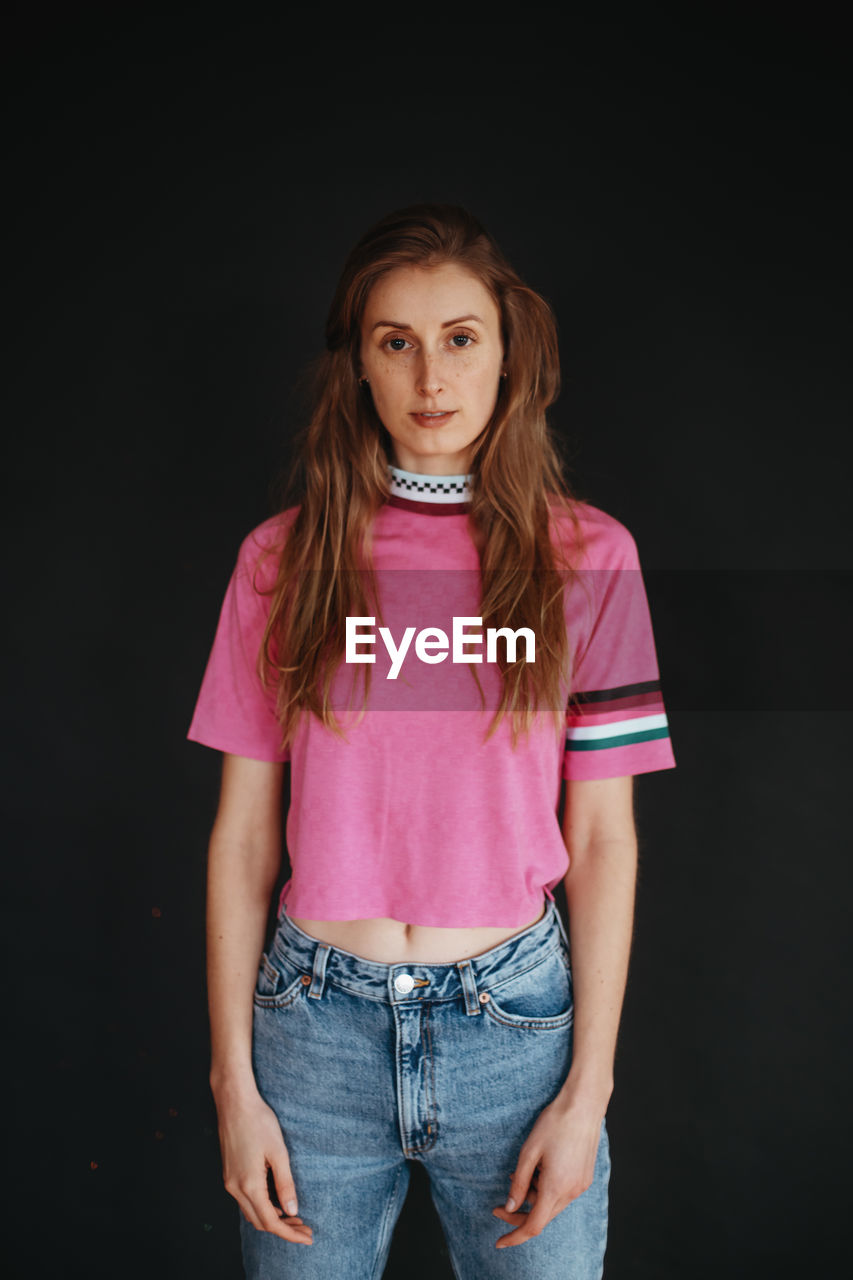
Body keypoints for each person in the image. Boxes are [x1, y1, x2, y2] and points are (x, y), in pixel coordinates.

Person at [187, 203, 676, 1279]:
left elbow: (602, 840)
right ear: (357, 363)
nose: (429, 376)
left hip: (516, 1030)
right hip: (312, 1033)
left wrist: (587, 1091)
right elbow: (240, 839)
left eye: (460, 337)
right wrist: (235, 1084)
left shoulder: (587, 555)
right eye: (393, 341)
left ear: (509, 354)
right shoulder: (283, 559)